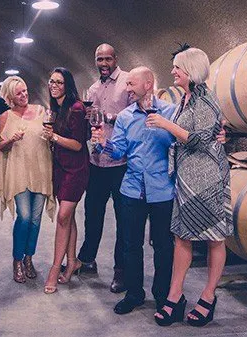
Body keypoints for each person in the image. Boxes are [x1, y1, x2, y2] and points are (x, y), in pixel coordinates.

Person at [148, 46, 232, 327]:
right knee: (181, 236)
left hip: (207, 179)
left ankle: (208, 296)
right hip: (187, 178)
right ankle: (176, 295)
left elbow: (196, 139)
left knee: (214, 238)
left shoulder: (205, 100)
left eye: (177, 67)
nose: (173, 71)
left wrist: (164, 124)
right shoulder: (186, 99)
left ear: (191, 70)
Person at [91, 66, 176, 316]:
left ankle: (162, 295)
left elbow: (180, 145)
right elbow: (119, 152)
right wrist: (102, 146)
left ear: (148, 85)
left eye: (131, 84)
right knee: (130, 244)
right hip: (131, 189)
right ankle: (134, 293)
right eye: (127, 84)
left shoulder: (170, 113)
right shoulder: (126, 117)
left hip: (162, 190)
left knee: (163, 246)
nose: (127, 88)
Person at [77, 43, 131, 293]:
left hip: (121, 161)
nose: (104, 64)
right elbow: (91, 123)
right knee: (92, 213)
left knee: (123, 219)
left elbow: (136, 117)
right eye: (100, 59)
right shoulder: (94, 88)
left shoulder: (128, 82)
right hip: (97, 160)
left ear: (115, 59)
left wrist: (109, 117)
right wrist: (89, 123)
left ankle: (121, 270)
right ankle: (88, 258)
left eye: (108, 59)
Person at [0, 76, 55, 283]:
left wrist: (51, 134)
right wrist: (11, 139)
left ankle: (29, 258)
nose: (24, 95)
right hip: (18, 171)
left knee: (36, 220)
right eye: (19, 93)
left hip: (41, 170)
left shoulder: (40, 111)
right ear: (10, 96)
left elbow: (49, 135)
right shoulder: (5, 117)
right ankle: (17, 260)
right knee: (25, 217)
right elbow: (1, 147)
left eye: (25, 90)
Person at [42, 68, 89, 294]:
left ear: (67, 85)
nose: (54, 85)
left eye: (59, 82)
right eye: (52, 81)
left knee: (62, 217)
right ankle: (72, 262)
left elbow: (78, 144)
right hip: (60, 168)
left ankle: (54, 268)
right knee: (67, 217)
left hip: (76, 169)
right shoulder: (57, 108)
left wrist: (54, 137)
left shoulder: (77, 109)